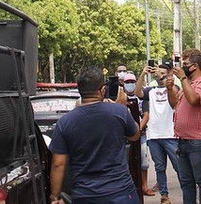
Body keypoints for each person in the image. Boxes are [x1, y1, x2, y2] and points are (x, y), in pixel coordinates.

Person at [49, 65, 141, 204]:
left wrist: (55, 197)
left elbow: (58, 164)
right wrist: (125, 110)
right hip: (120, 192)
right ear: (103, 89)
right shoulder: (118, 112)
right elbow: (135, 135)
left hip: (85, 195)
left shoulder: (65, 122)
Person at [166, 49, 201, 204]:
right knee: (186, 183)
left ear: (194, 67)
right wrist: (169, 89)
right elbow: (174, 104)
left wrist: (182, 78)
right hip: (182, 141)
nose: (182, 66)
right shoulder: (188, 83)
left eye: (185, 64)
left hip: (198, 141)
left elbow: (194, 100)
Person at [135, 64, 180, 204]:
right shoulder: (151, 91)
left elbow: (176, 96)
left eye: (162, 72)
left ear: (168, 74)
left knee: (179, 166)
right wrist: (142, 74)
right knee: (159, 167)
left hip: (170, 134)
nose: (158, 74)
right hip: (154, 135)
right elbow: (138, 93)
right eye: (157, 72)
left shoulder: (173, 88)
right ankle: (164, 196)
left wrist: (166, 78)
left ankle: (188, 191)